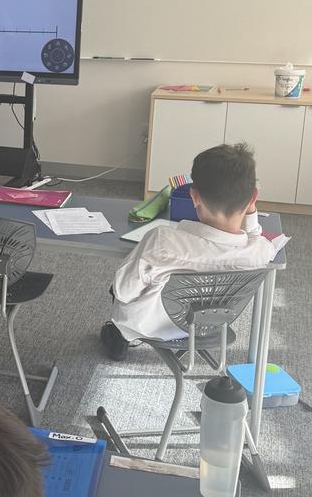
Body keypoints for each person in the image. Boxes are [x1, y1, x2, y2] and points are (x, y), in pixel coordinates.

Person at [101, 142, 289, 360]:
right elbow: (256, 236)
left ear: (194, 196)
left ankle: (121, 337)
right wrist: (251, 211)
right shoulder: (259, 252)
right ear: (253, 198)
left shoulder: (162, 241)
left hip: (151, 326)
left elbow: (124, 290)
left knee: (123, 285)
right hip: (210, 326)